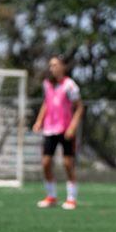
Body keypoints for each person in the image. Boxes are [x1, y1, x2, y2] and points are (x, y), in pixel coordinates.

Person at [32, 56, 84, 210]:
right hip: (50, 129)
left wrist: (73, 126)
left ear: (63, 67)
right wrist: (39, 121)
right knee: (46, 163)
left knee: (68, 163)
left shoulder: (70, 85)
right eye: (50, 65)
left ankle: (71, 198)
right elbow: (46, 104)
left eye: (55, 65)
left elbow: (79, 107)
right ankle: (51, 196)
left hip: (65, 129)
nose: (52, 68)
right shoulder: (47, 84)